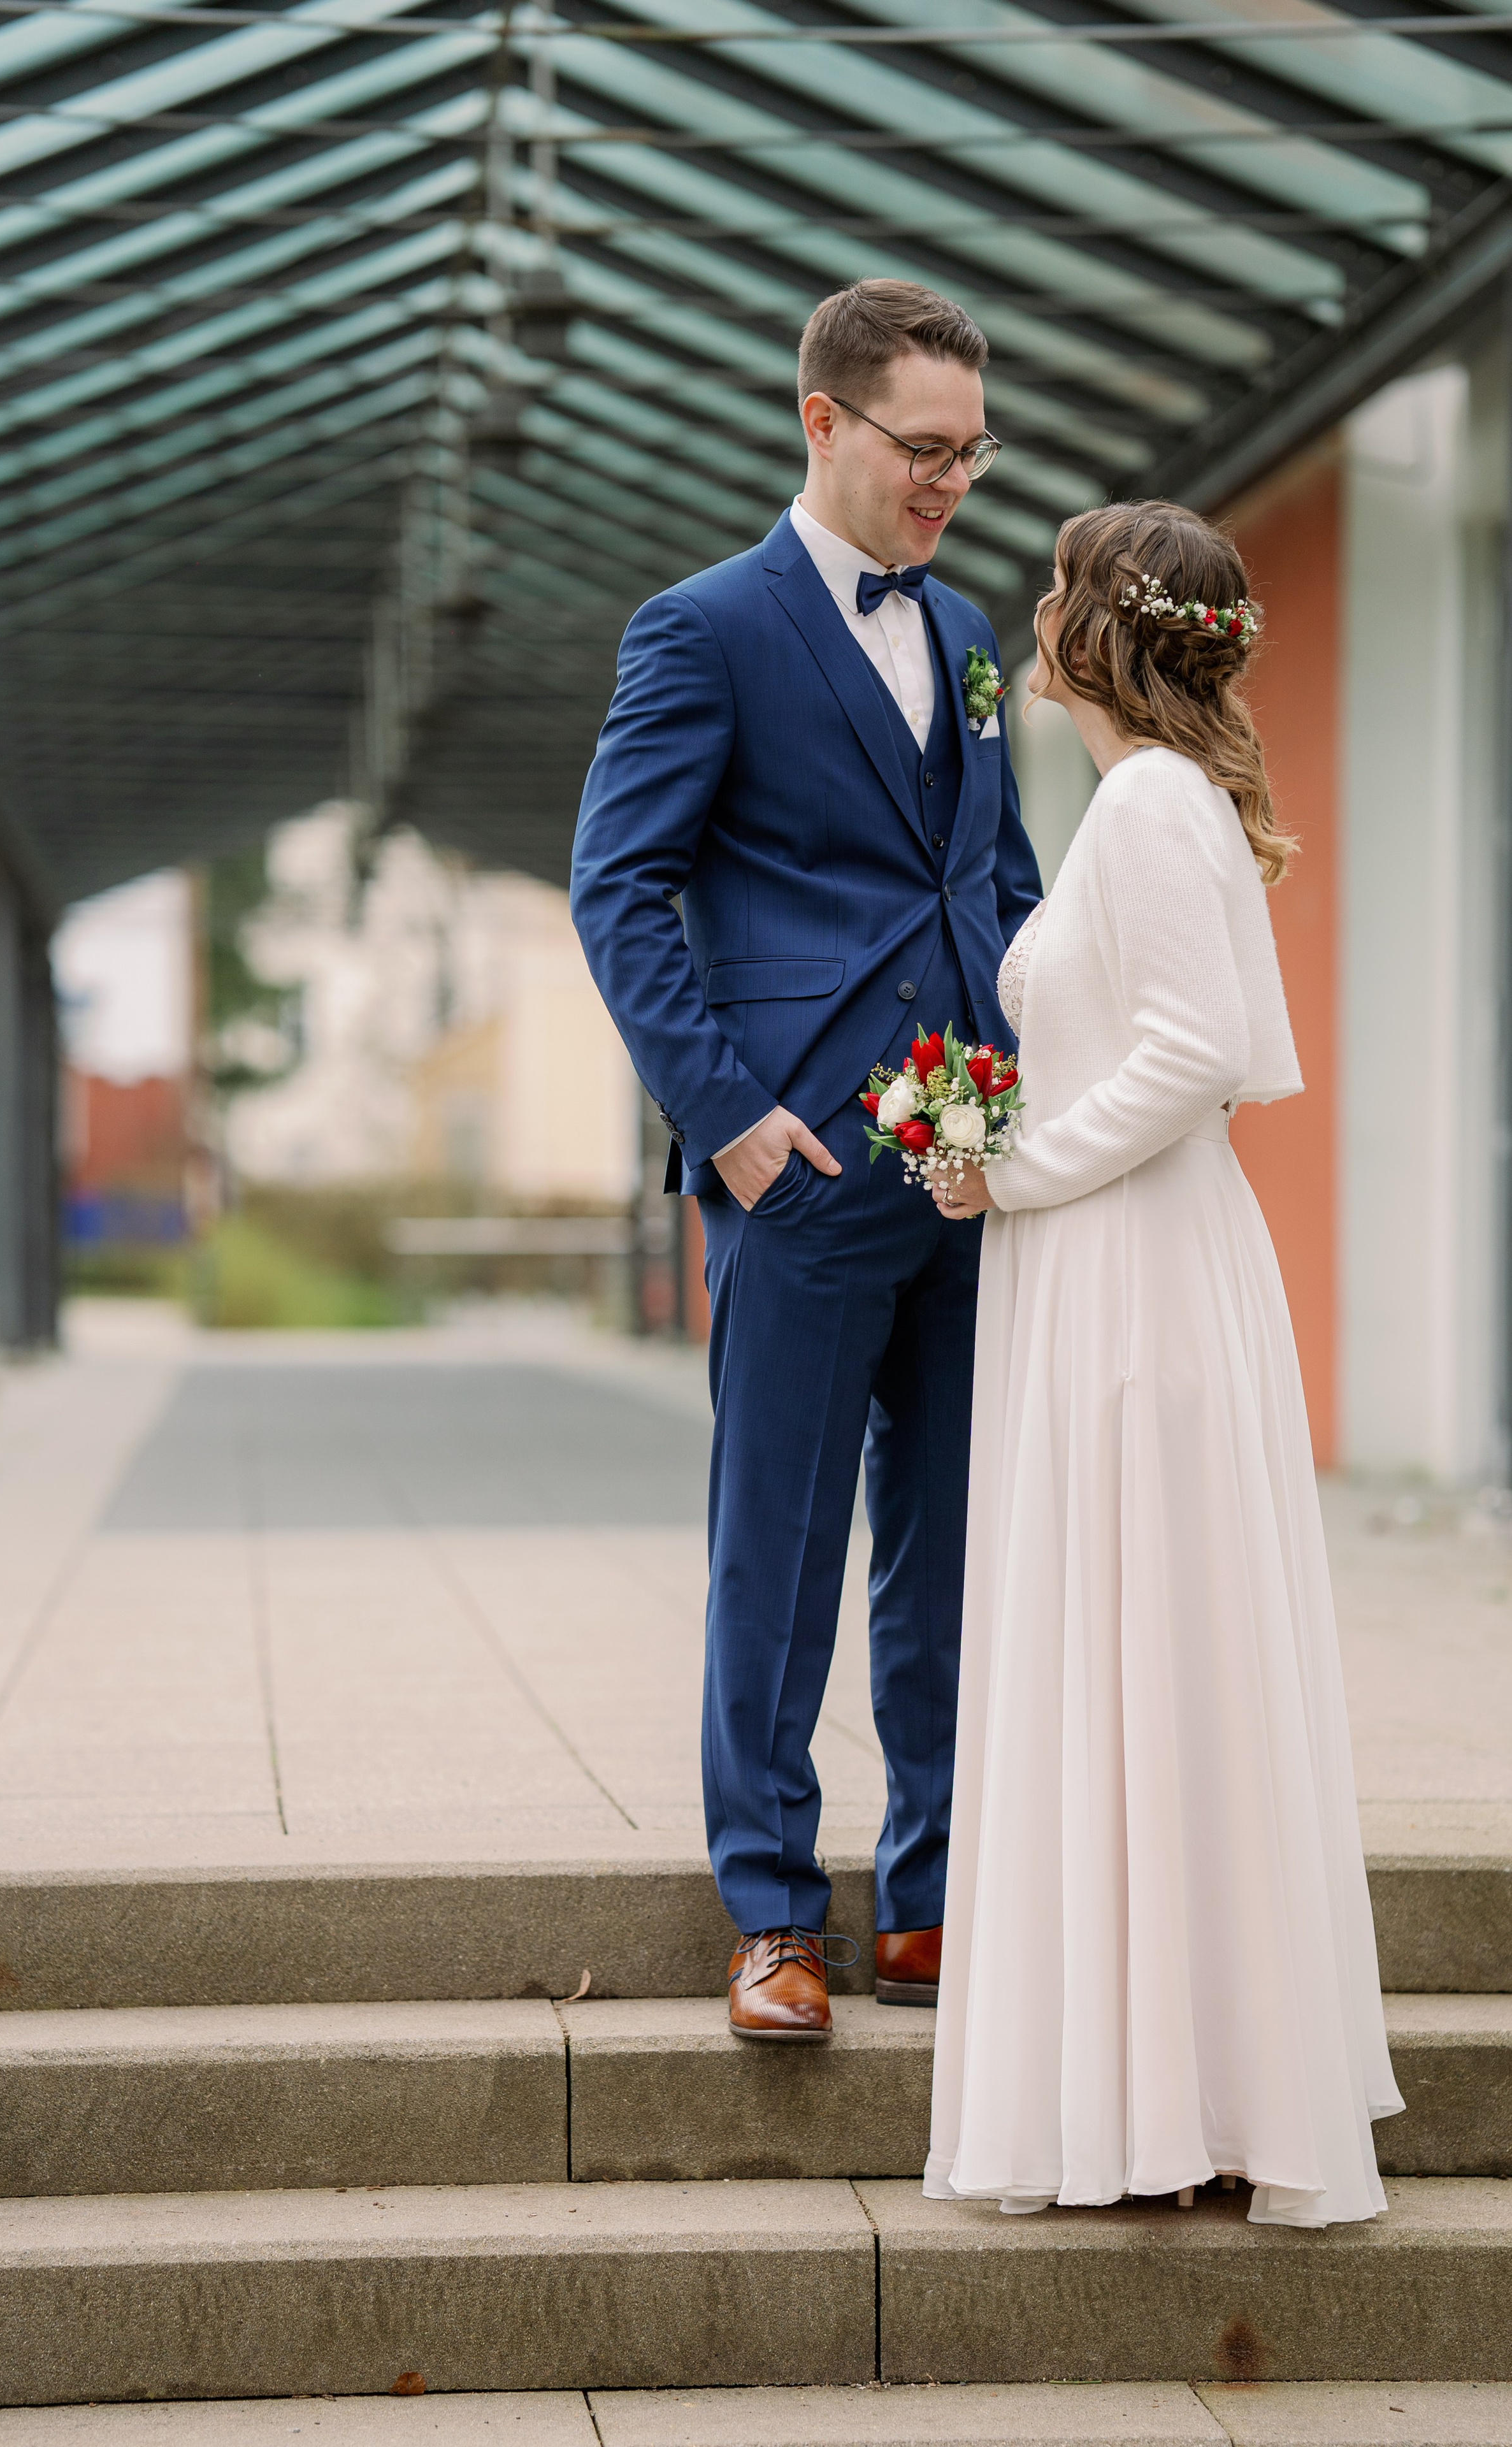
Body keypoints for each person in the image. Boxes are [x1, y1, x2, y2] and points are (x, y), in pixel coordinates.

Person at [571, 280, 1042, 2039]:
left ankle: (925, 1903)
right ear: (821, 424)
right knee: (778, 1543)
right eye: (925, 449)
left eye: (971, 453)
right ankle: (773, 1913)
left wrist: (1034, 1094)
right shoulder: (702, 630)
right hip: (803, 1165)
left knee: (953, 1543)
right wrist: (730, 1121)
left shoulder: (975, 630)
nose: (950, 483)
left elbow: (998, 884)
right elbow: (618, 892)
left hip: (969, 1163)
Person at [926, 500, 1402, 2224]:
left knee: (1140, 1645)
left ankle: (1164, 2091)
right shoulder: (1148, 804)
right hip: (1123, 1261)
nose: (1033, 610)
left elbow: (1198, 1051)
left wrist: (1013, 1166)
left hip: (1129, 1272)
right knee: (1147, 1654)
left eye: (1053, 587)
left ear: (1098, 634)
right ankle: (1173, 2078)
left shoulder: (1141, 809)